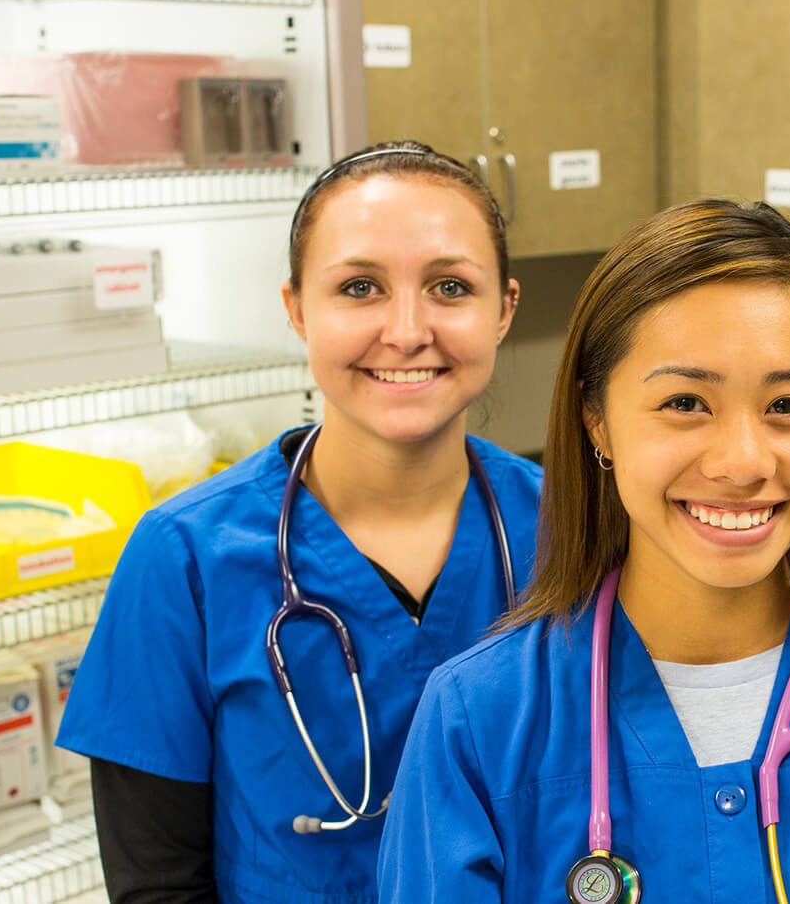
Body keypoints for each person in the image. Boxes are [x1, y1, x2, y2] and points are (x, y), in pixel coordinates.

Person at [376, 200, 790, 903]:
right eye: (686, 403)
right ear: (595, 419)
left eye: (788, 406)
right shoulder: (478, 725)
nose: (743, 462)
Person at [57, 141, 543, 903]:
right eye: (359, 288)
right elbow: (157, 882)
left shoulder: (572, 530)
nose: (409, 330)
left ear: (505, 308)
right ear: (295, 309)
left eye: (451, 286)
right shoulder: (185, 559)